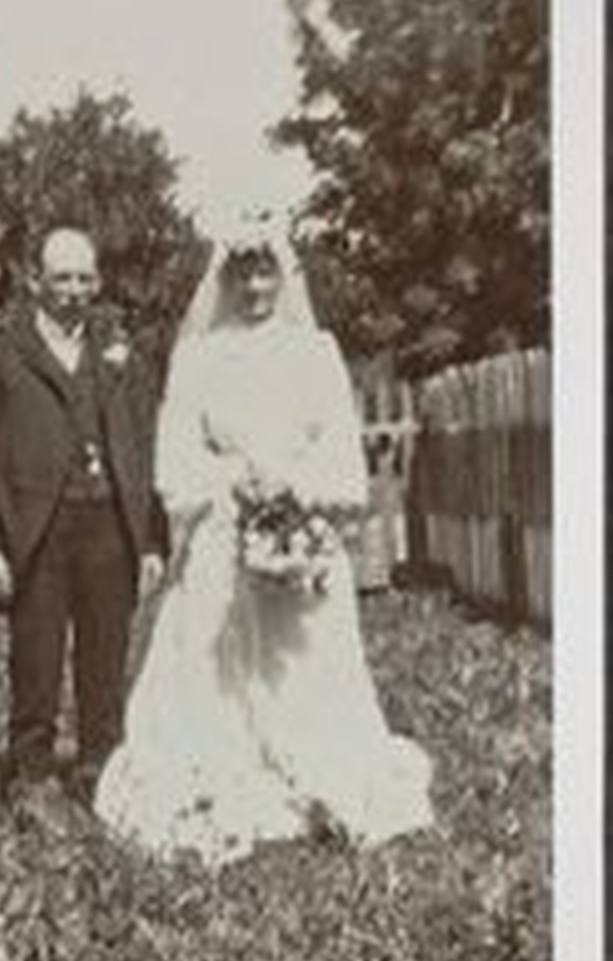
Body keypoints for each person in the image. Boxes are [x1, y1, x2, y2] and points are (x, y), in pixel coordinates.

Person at [94, 212, 434, 865]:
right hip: (223, 530)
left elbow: (340, 454)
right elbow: (175, 461)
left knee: (301, 655)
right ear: (224, 278)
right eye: (242, 273)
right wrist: (233, 479)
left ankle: (316, 766)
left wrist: (293, 486)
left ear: (282, 276)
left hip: (298, 529)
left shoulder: (316, 352)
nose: (254, 286)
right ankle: (218, 770)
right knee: (211, 654)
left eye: (265, 271)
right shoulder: (196, 358)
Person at [0, 226, 166, 801]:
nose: (73, 289)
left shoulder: (119, 357)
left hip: (109, 532)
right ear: (36, 281)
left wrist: (150, 542)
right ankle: (31, 784)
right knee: (36, 664)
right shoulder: (0, 358)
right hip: (35, 534)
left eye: (83, 277)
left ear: (97, 282)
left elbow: (148, 452)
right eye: (61, 277)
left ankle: (104, 784)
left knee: (104, 666)